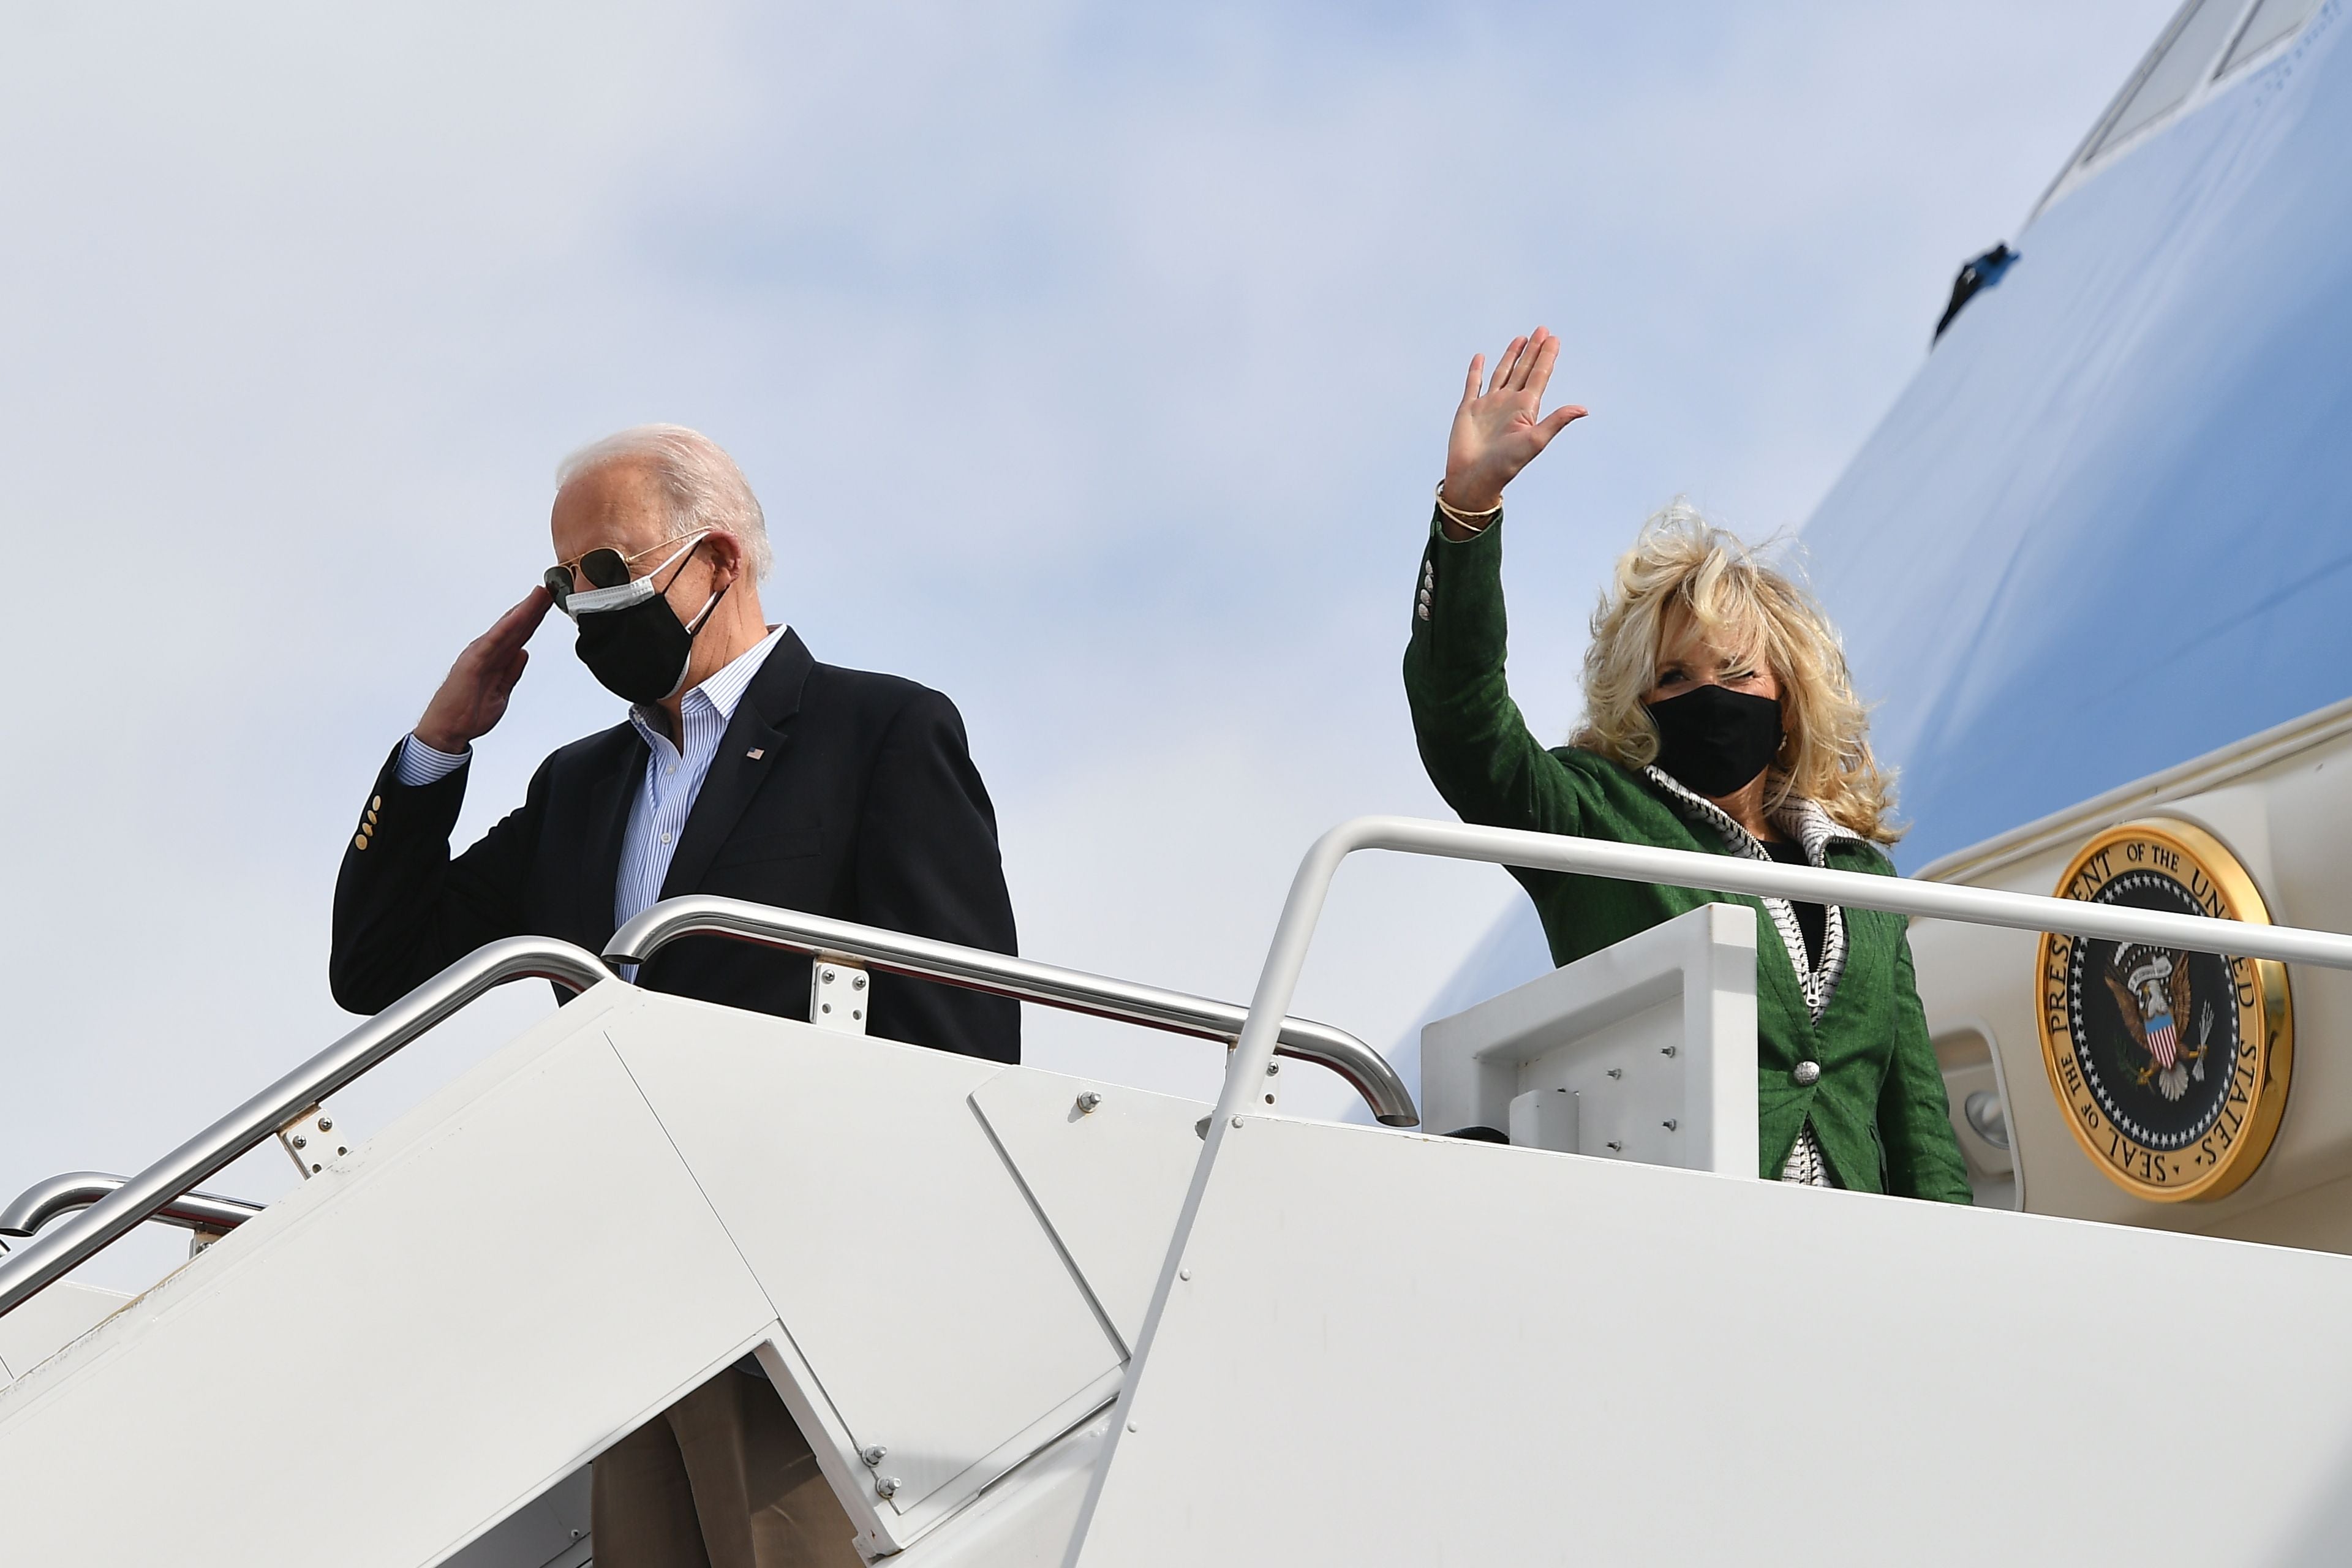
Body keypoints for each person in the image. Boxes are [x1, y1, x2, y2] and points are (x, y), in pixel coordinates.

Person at [331, 424, 1019, 1565]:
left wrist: (911, 1282)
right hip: (635, 1291)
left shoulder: (880, 731)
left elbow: (961, 1033)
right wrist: (439, 744)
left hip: (809, 1287)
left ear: (719, 561)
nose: (584, 608)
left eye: (609, 571)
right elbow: (376, 961)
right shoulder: (580, 786)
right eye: (562, 584)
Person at [1404, 328, 1970, 1202]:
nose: (1710, 695)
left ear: (1786, 692)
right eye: (1675, 677)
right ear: (1639, 700)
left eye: (1737, 672)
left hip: (1851, 1268)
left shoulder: (1864, 877)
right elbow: (1466, 727)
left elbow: (1916, 1119)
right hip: (1681, 1246)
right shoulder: (1594, 817)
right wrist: (1468, 513)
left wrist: (1957, 1279)